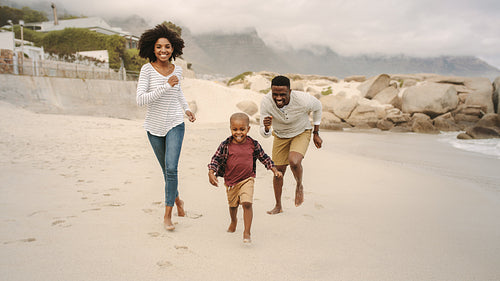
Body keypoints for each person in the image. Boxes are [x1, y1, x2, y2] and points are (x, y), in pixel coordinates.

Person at [136, 24, 196, 231]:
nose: (163, 50)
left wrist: (186, 109)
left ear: (174, 48)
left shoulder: (177, 70)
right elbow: (140, 100)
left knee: (171, 168)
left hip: (175, 124)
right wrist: (165, 86)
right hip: (153, 127)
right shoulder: (146, 70)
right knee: (166, 170)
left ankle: (168, 213)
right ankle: (179, 201)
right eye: (159, 47)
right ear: (152, 48)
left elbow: (178, 92)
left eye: (168, 47)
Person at [208, 113, 282, 243]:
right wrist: (211, 172)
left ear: (248, 129)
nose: (238, 133)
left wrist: (274, 170)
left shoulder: (253, 144)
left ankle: (247, 231)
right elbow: (216, 159)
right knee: (233, 206)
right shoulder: (226, 145)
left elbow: (264, 158)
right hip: (231, 182)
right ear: (230, 128)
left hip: (247, 179)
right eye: (234, 129)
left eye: (242, 129)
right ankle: (233, 220)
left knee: (247, 203)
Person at [260, 75, 323, 214]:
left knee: (294, 161)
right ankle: (278, 206)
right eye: (274, 94)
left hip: (301, 131)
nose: (278, 98)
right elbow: (264, 134)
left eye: (282, 94)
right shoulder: (266, 102)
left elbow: (318, 107)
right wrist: (266, 128)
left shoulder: (303, 100)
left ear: (290, 91)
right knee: (278, 173)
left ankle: (299, 185)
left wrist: (316, 133)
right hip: (281, 135)